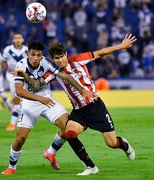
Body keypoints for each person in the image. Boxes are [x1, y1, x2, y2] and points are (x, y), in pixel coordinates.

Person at [19, 34, 137, 176]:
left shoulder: (78, 60)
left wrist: (121, 46)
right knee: (69, 133)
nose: (60, 60)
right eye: (56, 58)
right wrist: (24, 75)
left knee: (111, 143)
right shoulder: (54, 73)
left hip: (95, 107)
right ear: (53, 59)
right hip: (79, 111)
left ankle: (123, 144)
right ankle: (90, 166)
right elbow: (37, 85)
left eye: (62, 56)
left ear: (66, 54)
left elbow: (101, 52)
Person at [1, 41, 89, 175]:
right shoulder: (21, 65)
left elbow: (65, 76)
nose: (36, 58)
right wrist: (40, 99)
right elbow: (20, 92)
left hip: (48, 100)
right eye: (33, 54)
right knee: (20, 139)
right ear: (28, 54)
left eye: (38, 55)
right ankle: (11, 167)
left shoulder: (47, 62)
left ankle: (50, 153)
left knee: (68, 129)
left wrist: (82, 89)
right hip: (30, 103)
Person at [2, 32, 28, 131]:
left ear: (22, 40)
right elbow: (3, 61)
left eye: (19, 38)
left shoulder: (27, 50)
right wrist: (6, 68)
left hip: (24, 76)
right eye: (16, 38)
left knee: (22, 99)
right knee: (17, 99)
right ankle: (14, 122)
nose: (17, 40)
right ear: (13, 40)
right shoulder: (7, 50)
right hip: (12, 77)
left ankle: (16, 122)